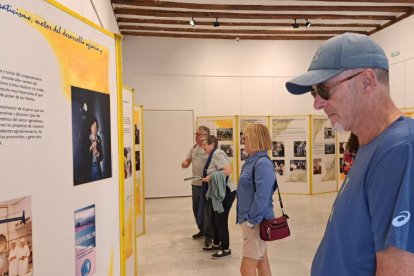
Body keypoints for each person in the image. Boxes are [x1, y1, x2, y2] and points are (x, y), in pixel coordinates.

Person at [286, 32, 414, 275]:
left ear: (366, 81)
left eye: (324, 89)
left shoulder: (401, 149)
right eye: (314, 92)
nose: (317, 103)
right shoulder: (373, 145)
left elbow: (400, 269)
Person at [237, 124, 276, 276]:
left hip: (256, 222)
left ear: (254, 139)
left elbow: (262, 197)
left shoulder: (262, 163)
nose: (243, 141)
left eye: (244, 138)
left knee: (246, 269)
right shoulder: (252, 162)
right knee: (262, 262)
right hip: (251, 221)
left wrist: (251, 220)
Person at [201, 135, 236, 259]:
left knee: (221, 219)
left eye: (205, 144)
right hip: (219, 191)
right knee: (215, 218)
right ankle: (216, 243)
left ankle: (225, 249)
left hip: (226, 191)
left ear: (212, 144)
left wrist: (210, 177)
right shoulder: (213, 154)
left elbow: (227, 170)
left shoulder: (217, 154)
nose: (203, 147)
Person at [181, 126, 210, 240]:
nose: (196, 136)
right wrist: (184, 163)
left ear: (205, 136)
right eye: (196, 134)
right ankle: (201, 230)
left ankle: (209, 234)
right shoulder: (193, 148)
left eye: (198, 134)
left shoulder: (209, 148)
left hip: (206, 184)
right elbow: (187, 161)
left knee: (206, 210)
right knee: (196, 208)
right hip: (195, 184)